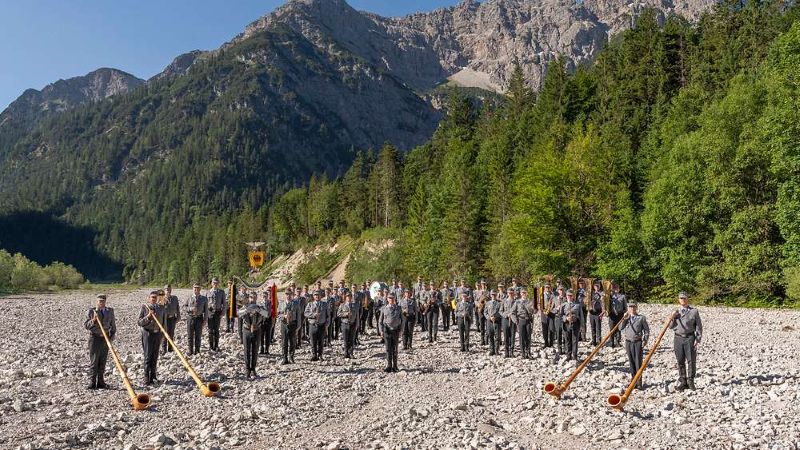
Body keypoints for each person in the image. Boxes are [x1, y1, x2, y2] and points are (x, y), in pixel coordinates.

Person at [670, 292, 703, 391]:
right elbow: (670, 327)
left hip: (690, 338)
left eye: (684, 298)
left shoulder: (694, 311)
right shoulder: (675, 311)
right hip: (678, 338)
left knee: (691, 360)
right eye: (681, 298)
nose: (683, 300)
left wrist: (698, 339)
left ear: (687, 299)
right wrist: (672, 317)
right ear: (678, 300)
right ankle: (683, 381)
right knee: (680, 360)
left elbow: (699, 326)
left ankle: (690, 381)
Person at [84, 294, 116, 389]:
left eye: (103, 301)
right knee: (94, 361)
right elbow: (86, 325)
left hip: (105, 338)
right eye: (99, 301)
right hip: (95, 338)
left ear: (105, 301)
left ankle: (101, 382)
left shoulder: (110, 311)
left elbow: (113, 326)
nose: (101, 303)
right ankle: (92, 382)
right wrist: (93, 320)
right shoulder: (91, 311)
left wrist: (111, 337)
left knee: (102, 361)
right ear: (96, 301)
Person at [138, 291, 166, 385]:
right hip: (148, 334)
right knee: (147, 356)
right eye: (152, 297)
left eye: (155, 297)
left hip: (157, 334)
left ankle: (153, 376)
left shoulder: (161, 308)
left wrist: (162, 334)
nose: (154, 299)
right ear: (149, 298)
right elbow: (139, 322)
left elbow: (163, 322)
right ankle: (146, 377)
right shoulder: (145, 307)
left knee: (155, 356)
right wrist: (148, 317)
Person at [240, 292, 269, 378]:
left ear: (257, 298)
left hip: (257, 330)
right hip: (247, 330)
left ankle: (253, 368)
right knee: (247, 350)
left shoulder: (260, 307)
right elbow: (238, 314)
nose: (253, 299)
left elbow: (267, 314)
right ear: (249, 298)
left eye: (254, 297)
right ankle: (247, 369)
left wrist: (258, 310)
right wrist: (246, 310)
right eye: (251, 297)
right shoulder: (245, 306)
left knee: (255, 350)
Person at [620, 302, 648, 389]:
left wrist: (645, 339)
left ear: (636, 307)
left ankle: (639, 382)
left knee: (638, 362)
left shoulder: (641, 318)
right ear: (628, 308)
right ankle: (633, 380)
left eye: (633, 306)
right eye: (630, 307)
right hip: (628, 342)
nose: (632, 308)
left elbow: (646, 330)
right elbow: (620, 328)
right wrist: (624, 319)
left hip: (637, 342)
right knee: (631, 362)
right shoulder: (626, 318)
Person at [184, 284, 208, 355]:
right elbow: (184, 307)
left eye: (198, 288)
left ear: (200, 289)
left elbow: (206, 311)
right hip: (190, 318)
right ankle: (190, 351)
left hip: (199, 318)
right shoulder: (189, 297)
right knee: (190, 336)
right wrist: (190, 309)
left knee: (198, 336)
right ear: (193, 288)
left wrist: (205, 320)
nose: (196, 290)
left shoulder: (204, 298)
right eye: (195, 288)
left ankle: (197, 351)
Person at [561, 290, 584, 361]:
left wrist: (582, 326)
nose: (569, 297)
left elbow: (581, 316)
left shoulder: (578, 305)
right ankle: (568, 355)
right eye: (568, 295)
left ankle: (574, 356)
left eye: (571, 296)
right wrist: (566, 318)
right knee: (567, 340)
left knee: (575, 341)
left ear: (573, 296)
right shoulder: (563, 305)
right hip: (566, 324)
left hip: (575, 324)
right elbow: (561, 315)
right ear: (566, 296)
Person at [305, 291, 329, 362]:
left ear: (320, 296)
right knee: (313, 341)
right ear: (313, 296)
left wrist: (326, 325)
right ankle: (314, 355)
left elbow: (328, 316)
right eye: (315, 295)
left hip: (321, 325)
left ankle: (320, 355)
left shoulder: (324, 304)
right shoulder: (310, 304)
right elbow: (305, 313)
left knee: (321, 341)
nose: (317, 296)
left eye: (318, 295)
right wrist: (313, 315)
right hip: (313, 325)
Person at [279, 289, 301, 365]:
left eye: (289, 294)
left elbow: (298, 315)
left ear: (292, 295)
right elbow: (278, 314)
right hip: (284, 324)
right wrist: (283, 316)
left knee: (292, 341)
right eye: (287, 294)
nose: (288, 296)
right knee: (284, 342)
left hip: (293, 324)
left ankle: (291, 357)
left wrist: (298, 326)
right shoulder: (282, 303)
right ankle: (284, 358)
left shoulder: (296, 303)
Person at [381, 293, 402, 372]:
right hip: (387, 330)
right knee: (388, 349)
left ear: (395, 299)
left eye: (392, 298)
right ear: (387, 299)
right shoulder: (384, 308)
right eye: (389, 298)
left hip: (396, 330)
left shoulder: (398, 308)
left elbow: (402, 320)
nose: (391, 299)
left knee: (395, 349)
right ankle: (389, 365)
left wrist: (401, 330)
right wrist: (381, 331)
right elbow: (380, 321)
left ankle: (395, 366)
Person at [513, 289, 536, 358]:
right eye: (522, 293)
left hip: (528, 320)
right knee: (522, 337)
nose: (524, 294)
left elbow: (534, 311)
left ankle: (528, 352)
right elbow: (512, 312)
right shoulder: (517, 302)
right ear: (520, 294)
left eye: (525, 292)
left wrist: (534, 309)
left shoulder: (530, 302)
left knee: (528, 337)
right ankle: (523, 353)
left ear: (527, 293)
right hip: (521, 320)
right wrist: (516, 321)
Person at [206, 277, 226, 351]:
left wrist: (223, 313)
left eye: (216, 283)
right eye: (214, 283)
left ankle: (216, 346)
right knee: (210, 330)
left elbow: (224, 303)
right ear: (211, 283)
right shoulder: (208, 292)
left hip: (218, 312)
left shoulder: (221, 292)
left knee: (216, 330)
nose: (215, 284)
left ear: (218, 284)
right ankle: (211, 346)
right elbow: (205, 304)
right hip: (210, 312)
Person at [161, 285, 180, 354]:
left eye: (169, 289)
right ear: (164, 290)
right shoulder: (161, 298)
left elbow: (178, 308)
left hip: (172, 318)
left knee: (171, 333)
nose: (168, 291)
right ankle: (164, 349)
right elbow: (159, 309)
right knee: (164, 334)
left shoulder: (175, 298)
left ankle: (170, 348)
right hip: (164, 319)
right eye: (166, 290)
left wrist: (178, 316)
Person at [608, 283, 627, 348]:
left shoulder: (622, 296)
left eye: (617, 288)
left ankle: (618, 342)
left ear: (619, 289)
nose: (616, 290)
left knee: (618, 329)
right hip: (612, 314)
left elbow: (625, 306)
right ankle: (611, 342)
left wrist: (624, 313)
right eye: (614, 288)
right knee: (612, 328)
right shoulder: (610, 296)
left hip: (620, 314)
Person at [338, 293, 356, 359]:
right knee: (345, 340)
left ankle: (351, 353)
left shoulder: (354, 305)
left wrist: (357, 324)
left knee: (351, 340)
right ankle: (346, 353)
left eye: (350, 297)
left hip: (352, 324)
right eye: (347, 297)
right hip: (345, 324)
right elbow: (338, 314)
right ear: (345, 298)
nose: (349, 298)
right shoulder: (342, 305)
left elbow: (357, 315)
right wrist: (345, 314)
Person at [484, 291, 502, 356]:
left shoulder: (499, 303)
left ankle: (497, 350)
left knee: (497, 336)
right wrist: (489, 317)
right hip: (489, 321)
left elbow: (501, 312)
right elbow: (485, 312)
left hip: (497, 321)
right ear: (490, 295)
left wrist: (495, 317)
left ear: (496, 295)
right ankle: (492, 350)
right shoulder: (487, 303)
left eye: (494, 294)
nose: (493, 296)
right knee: (490, 335)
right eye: (492, 294)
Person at [500, 289, 517, 357]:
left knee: (512, 336)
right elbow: (500, 311)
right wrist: (506, 315)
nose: (510, 294)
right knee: (506, 336)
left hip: (513, 320)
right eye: (509, 293)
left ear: (513, 294)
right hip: (505, 320)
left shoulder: (516, 302)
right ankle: (506, 352)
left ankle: (512, 352)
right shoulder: (504, 301)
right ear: (507, 293)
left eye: (512, 293)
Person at [259, 289, 274, 355]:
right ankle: (261, 348)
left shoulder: (270, 303)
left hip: (268, 320)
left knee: (267, 336)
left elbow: (269, 312)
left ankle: (267, 349)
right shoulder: (260, 303)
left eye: (265, 296)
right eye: (263, 296)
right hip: (261, 321)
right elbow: (259, 312)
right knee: (261, 336)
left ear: (268, 296)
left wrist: (263, 312)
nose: (264, 297)